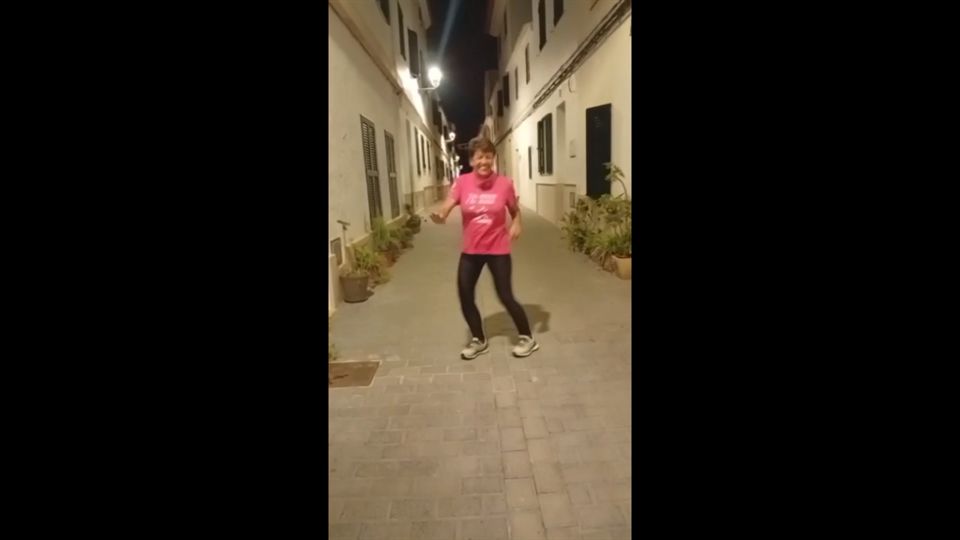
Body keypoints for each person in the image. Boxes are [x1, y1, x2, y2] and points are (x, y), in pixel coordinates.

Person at [430, 136, 539, 360]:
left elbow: (514, 210)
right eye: (479, 157)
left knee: (505, 295)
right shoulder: (462, 183)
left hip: (498, 249)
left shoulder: (505, 184)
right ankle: (479, 340)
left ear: (493, 158)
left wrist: (517, 223)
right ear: (472, 160)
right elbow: (447, 206)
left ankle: (527, 338)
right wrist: (441, 215)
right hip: (471, 250)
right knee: (465, 295)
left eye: (488, 156)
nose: (484, 161)